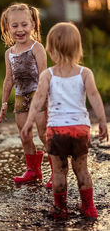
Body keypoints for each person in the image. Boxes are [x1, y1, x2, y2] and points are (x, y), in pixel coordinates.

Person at [21, 22, 109, 219]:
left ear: (50, 50)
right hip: (79, 130)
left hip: (57, 131)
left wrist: (28, 124)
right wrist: (102, 121)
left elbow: (38, 101)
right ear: (78, 49)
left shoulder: (48, 75)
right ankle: (88, 207)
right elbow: (94, 97)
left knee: (60, 173)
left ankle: (60, 209)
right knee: (82, 170)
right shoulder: (85, 73)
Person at [0, 2, 53, 187]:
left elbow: (44, 73)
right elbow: (8, 80)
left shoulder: (36, 48)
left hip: (39, 95)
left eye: (24, 25)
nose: (20, 30)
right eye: (15, 26)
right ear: (8, 28)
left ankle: (57, 171)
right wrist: (4, 103)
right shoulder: (9, 53)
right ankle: (33, 171)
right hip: (21, 97)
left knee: (44, 134)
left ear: (33, 25)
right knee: (24, 135)